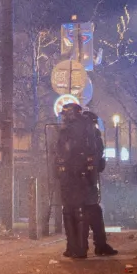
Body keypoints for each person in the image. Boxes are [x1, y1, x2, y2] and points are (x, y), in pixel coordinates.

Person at [54, 103, 97, 258]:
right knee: (76, 211)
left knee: (73, 211)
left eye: (65, 114)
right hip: (77, 174)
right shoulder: (84, 126)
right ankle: (77, 246)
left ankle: (76, 247)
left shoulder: (75, 128)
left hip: (75, 174)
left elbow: (64, 151)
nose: (63, 117)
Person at [80, 110, 118, 256]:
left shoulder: (75, 135)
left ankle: (80, 246)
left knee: (84, 212)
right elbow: (98, 160)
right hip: (88, 181)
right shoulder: (93, 137)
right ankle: (98, 245)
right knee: (92, 212)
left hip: (78, 182)